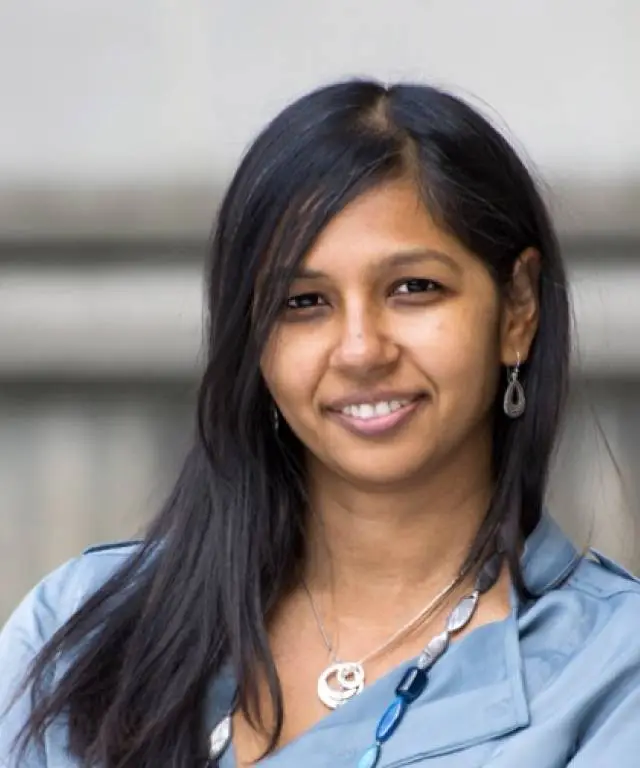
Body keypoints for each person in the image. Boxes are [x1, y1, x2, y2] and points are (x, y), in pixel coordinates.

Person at [1, 79, 639, 768]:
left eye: (413, 288)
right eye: (303, 302)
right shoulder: (77, 630)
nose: (361, 348)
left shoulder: (611, 673)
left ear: (517, 310)